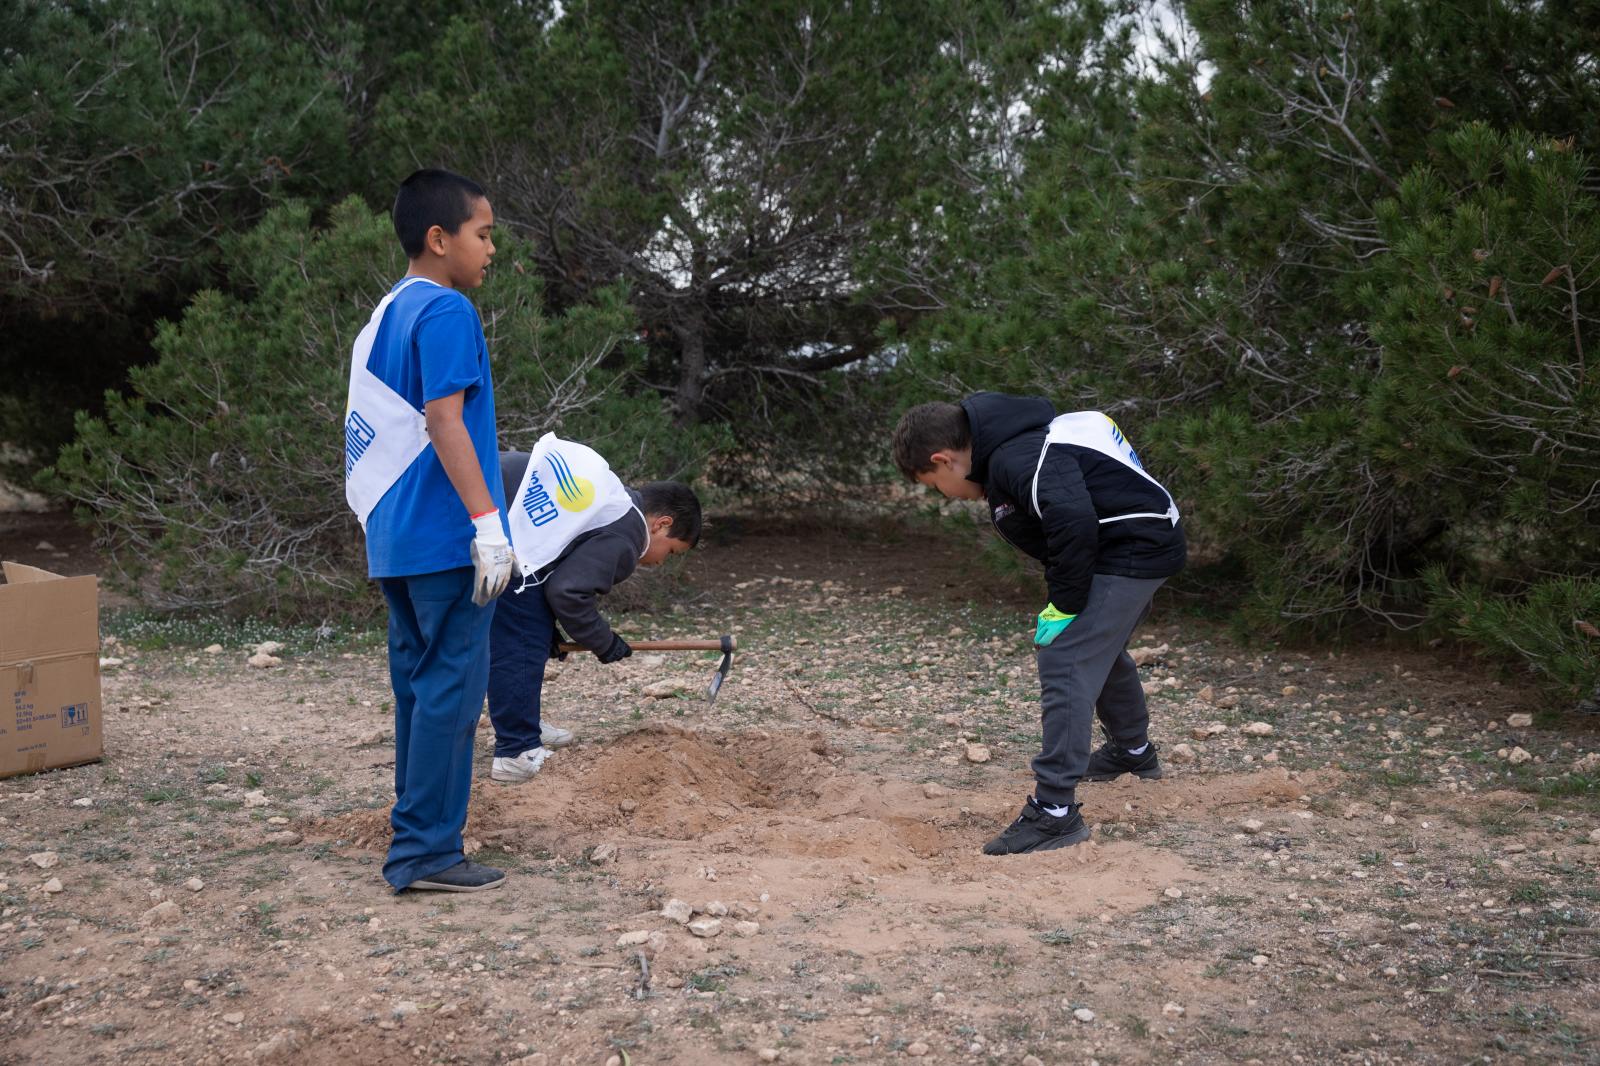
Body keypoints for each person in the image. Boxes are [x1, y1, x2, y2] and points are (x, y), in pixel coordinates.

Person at [892, 393, 1186, 855]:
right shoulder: (1018, 445)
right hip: (1144, 539)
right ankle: (1132, 753)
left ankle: (1054, 813)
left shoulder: (1018, 454)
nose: (942, 494)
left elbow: (1072, 519)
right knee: (1099, 651)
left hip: (1133, 548)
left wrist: (1065, 605)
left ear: (943, 459)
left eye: (934, 484)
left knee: (1065, 657)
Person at [343, 169, 514, 893]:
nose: (492, 250)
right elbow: (445, 421)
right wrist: (489, 525)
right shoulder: (447, 313)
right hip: (447, 537)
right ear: (440, 239)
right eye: (484, 234)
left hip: (396, 540)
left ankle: (414, 829)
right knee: (451, 689)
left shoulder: (385, 315)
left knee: (419, 688)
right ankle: (426, 852)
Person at [486, 450, 701, 782]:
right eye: (670, 551)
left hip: (494, 510)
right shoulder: (626, 534)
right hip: (502, 529)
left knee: (530, 633)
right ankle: (516, 750)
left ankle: (523, 722)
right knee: (520, 643)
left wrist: (548, 631)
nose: (661, 561)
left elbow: (555, 574)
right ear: (662, 524)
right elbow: (567, 592)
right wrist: (604, 642)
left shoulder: (613, 499)